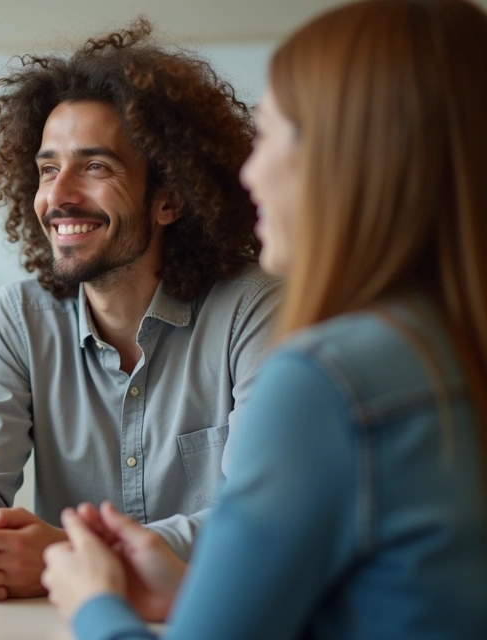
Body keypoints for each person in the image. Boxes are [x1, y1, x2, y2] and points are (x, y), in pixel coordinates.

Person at [41, 0, 487, 637]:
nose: (248, 173)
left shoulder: (329, 380)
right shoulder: (446, 352)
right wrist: (193, 594)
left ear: (347, 161)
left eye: (269, 133)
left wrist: (94, 603)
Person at [0, 19, 282, 601]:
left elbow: (262, 519)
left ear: (170, 198)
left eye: (96, 166)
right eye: (48, 168)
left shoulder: (254, 309)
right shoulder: (21, 317)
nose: (58, 195)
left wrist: (63, 554)